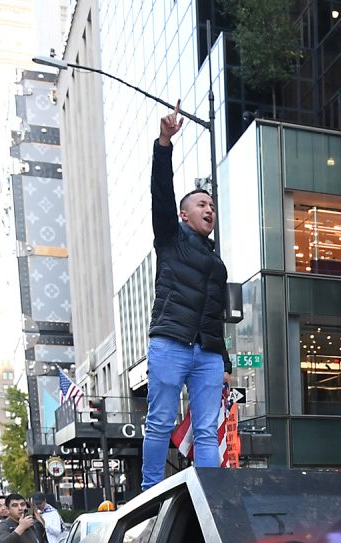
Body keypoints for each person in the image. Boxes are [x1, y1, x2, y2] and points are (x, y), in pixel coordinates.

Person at [141, 104, 229, 489]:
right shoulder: (170, 238)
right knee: (159, 422)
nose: (209, 209)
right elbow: (161, 192)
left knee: (207, 429)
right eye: (201, 204)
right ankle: (148, 494)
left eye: (211, 205)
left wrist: (224, 360)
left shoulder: (216, 261)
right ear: (183, 215)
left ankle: (211, 497)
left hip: (207, 354)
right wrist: (164, 144)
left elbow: (216, 315)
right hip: (170, 343)